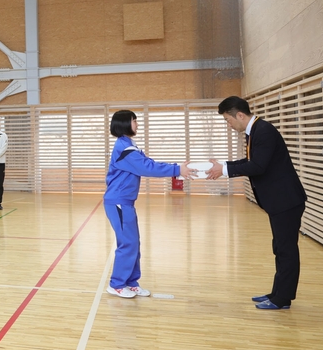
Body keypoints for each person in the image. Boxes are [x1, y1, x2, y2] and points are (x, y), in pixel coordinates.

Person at [207, 96, 307, 310]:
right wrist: (224, 166)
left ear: (240, 115)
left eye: (227, 120)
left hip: (286, 200)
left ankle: (282, 299)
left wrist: (224, 170)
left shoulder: (264, 131)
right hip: (280, 201)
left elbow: (258, 167)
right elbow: (253, 162)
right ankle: (277, 293)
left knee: (286, 250)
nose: (228, 124)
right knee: (279, 248)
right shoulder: (256, 132)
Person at [104, 110, 189, 299]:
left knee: (134, 243)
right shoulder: (124, 148)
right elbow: (146, 167)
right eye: (134, 121)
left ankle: (131, 282)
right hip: (118, 202)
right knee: (128, 243)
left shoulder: (129, 145)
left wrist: (176, 168)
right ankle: (117, 284)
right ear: (125, 123)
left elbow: (147, 162)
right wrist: (177, 169)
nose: (137, 123)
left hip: (125, 202)